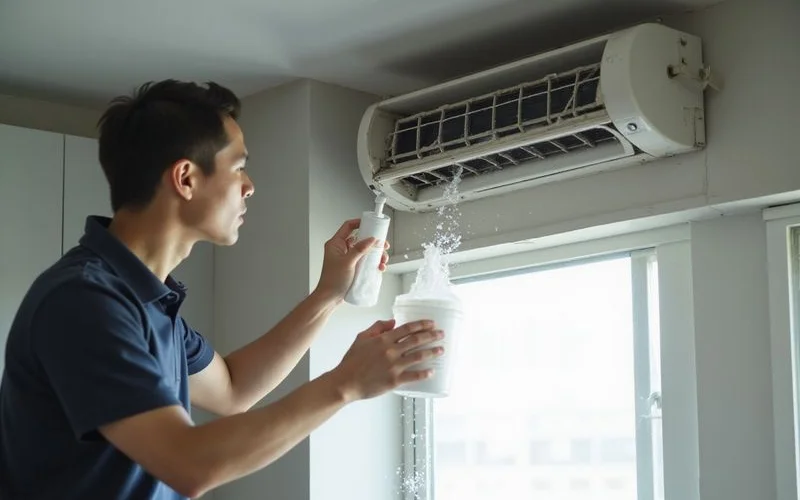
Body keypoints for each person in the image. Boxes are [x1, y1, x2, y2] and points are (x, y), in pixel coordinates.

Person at [0, 80, 443, 500]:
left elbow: (232, 389)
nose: (249, 187)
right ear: (186, 178)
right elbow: (186, 463)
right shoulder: (84, 301)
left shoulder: (148, 301)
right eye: (239, 167)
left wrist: (328, 293)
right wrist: (344, 384)